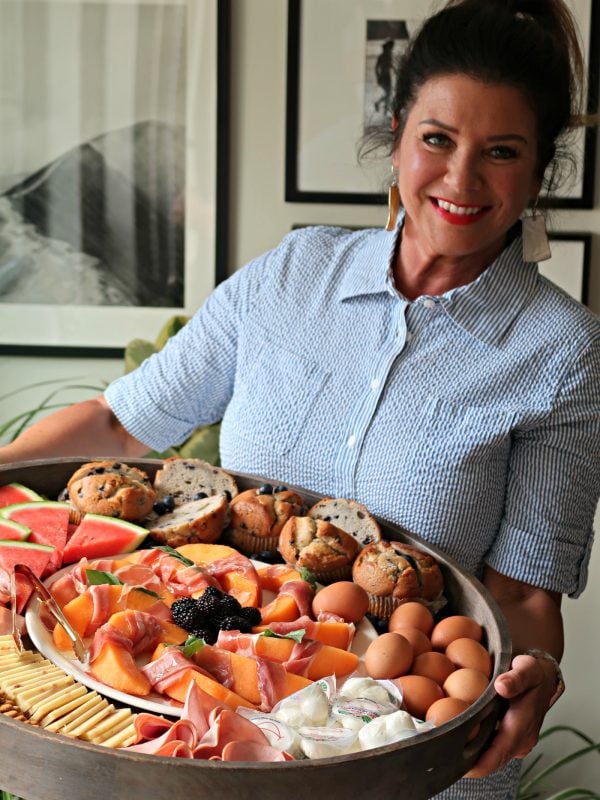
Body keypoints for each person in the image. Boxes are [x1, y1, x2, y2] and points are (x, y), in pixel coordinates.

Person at [1, 1, 599, 797]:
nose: (460, 179)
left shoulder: (562, 352)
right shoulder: (292, 276)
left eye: (501, 151)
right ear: (396, 138)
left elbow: (523, 595)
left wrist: (536, 673)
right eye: (437, 140)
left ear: (538, 169)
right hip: (212, 732)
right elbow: (119, 421)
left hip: (410, 759)